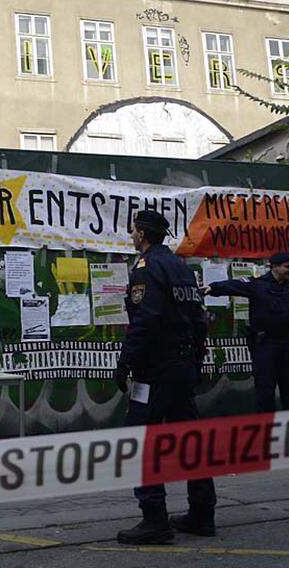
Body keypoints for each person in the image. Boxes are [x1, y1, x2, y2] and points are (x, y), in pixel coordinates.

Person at [113, 210, 216, 544]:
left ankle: (154, 519)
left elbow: (146, 318)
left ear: (142, 235)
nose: (131, 236)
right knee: (190, 439)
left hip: (156, 369)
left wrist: (126, 361)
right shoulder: (181, 267)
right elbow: (199, 319)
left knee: (141, 440)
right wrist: (195, 362)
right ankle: (202, 513)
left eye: (133, 231)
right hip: (182, 365)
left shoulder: (148, 267)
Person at [203, 251, 289, 412]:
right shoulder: (258, 285)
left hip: (288, 345)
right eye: (287, 267)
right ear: (274, 267)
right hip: (266, 346)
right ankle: (266, 428)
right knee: (265, 391)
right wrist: (213, 288)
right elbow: (234, 285)